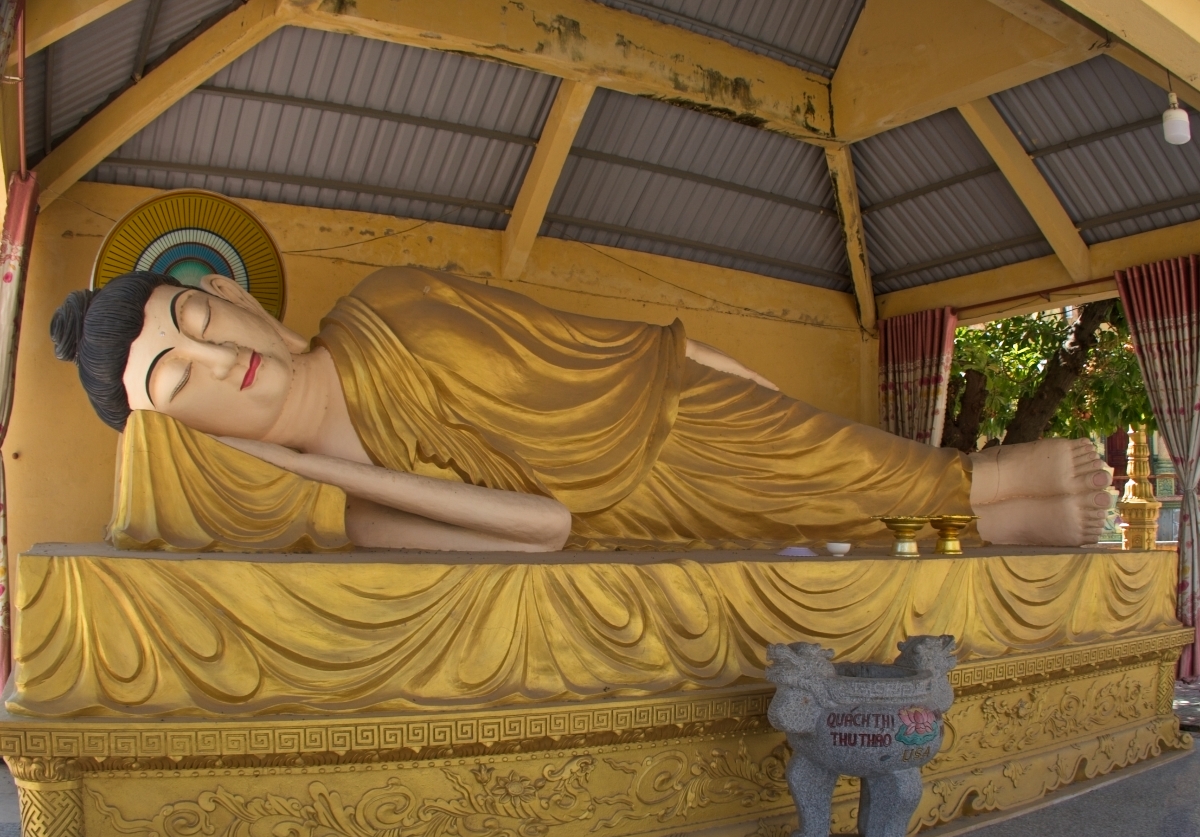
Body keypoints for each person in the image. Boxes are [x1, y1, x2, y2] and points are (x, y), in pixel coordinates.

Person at [50, 268, 1112, 553]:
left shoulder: (390, 299)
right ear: (188, 442)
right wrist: (321, 472)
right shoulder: (361, 513)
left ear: (231, 292)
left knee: (843, 467)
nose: (217, 358)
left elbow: (578, 335)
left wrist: (712, 362)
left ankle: (987, 488)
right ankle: (984, 509)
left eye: (197, 317)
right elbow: (550, 524)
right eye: (177, 382)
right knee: (825, 515)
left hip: (667, 405)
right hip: (642, 510)